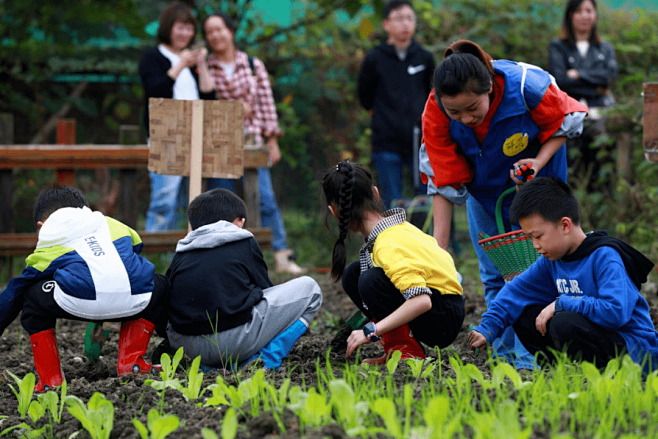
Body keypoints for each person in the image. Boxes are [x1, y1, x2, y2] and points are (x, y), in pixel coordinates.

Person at [420, 39, 588, 369]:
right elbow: (441, 178)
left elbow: (565, 121)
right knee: (495, 275)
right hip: (486, 194)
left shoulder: (526, 84)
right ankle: (505, 354)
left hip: (538, 189)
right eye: (455, 112)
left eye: (473, 109)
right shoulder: (436, 110)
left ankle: (536, 355)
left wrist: (538, 162)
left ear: (489, 90)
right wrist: (439, 251)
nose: (465, 118)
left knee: (534, 271)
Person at [468, 177, 657, 372]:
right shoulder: (551, 260)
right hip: (597, 340)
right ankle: (561, 375)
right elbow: (514, 292)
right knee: (524, 313)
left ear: (565, 225)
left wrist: (562, 303)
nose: (535, 246)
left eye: (538, 236)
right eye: (530, 238)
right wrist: (487, 327)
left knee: (563, 322)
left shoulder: (605, 256)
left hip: (634, 351)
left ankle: (600, 376)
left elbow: (616, 312)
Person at [0, 186, 170, 392]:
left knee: (31, 294)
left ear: (41, 225)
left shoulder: (50, 236)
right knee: (157, 283)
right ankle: (132, 364)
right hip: (135, 300)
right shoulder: (110, 223)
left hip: (77, 301)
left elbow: (16, 289)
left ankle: (50, 380)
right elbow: (133, 250)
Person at [322, 160, 464, 364]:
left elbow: (422, 301)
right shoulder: (397, 229)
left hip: (442, 319)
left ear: (334, 212)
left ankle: (407, 351)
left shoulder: (388, 244)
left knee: (369, 280)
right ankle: (397, 347)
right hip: (445, 306)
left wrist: (372, 330)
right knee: (354, 274)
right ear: (376, 194)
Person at [165, 188, 322, 370]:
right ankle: (262, 361)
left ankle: (204, 367)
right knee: (311, 288)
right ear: (240, 222)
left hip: (187, 348)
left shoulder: (181, 253)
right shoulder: (243, 241)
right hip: (233, 342)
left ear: (193, 225)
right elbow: (265, 290)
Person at [202, 12, 306, 275]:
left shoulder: (251, 64)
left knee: (265, 199)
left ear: (231, 31)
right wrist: (236, 109)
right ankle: (226, 260)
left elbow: (265, 104)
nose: (215, 35)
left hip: (253, 141)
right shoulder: (205, 66)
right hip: (219, 143)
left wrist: (273, 141)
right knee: (223, 202)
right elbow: (204, 105)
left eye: (219, 29)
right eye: (210, 32)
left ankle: (282, 255)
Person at [139, 1, 215, 231]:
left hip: (196, 136)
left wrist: (201, 64)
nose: (185, 33)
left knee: (191, 200)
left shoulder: (192, 63)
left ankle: (182, 256)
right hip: (166, 136)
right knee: (164, 199)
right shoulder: (153, 57)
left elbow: (209, 96)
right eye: (180, 27)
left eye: (189, 28)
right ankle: (153, 256)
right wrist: (181, 63)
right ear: (168, 28)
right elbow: (156, 91)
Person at [357, 0, 435, 209]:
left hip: (420, 141)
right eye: (399, 18)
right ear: (386, 24)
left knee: (428, 199)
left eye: (410, 18)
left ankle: (438, 241)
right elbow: (364, 95)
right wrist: (384, 118)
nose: (405, 24)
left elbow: (432, 94)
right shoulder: (374, 58)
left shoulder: (425, 58)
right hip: (386, 142)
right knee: (392, 202)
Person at [548, 0, 618, 184]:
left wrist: (578, 74)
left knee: (604, 166)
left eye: (589, 10)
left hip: (601, 114)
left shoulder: (605, 48)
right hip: (570, 114)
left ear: (595, 14)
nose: (584, 15)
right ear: (570, 15)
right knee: (573, 168)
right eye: (578, 11)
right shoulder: (558, 46)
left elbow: (610, 77)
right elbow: (560, 81)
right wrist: (596, 82)